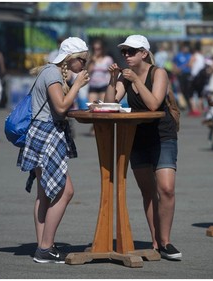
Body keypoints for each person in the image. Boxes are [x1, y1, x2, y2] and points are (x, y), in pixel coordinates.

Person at [104, 35, 181, 261]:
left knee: (166, 188)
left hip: (162, 135)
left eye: (131, 51)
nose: (126, 55)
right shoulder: (125, 77)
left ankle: (166, 241)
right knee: (148, 191)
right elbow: (110, 103)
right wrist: (113, 79)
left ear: (144, 53)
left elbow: (153, 103)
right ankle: (156, 241)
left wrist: (136, 81)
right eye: (124, 52)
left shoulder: (159, 73)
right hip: (136, 135)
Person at [17, 37, 90, 263]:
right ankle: (46, 247)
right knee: (65, 191)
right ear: (72, 59)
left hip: (42, 134)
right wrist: (77, 85)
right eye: (83, 61)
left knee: (45, 193)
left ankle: (43, 247)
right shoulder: (53, 74)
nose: (84, 66)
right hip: (46, 134)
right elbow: (59, 106)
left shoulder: (52, 72)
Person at [87, 39, 113, 135]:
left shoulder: (107, 59)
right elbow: (88, 72)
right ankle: (94, 126)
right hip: (93, 85)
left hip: (103, 85)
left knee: (102, 108)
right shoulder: (91, 59)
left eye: (99, 49)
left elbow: (112, 72)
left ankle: (100, 126)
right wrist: (92, 62)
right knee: (92, 107)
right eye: (95, 49)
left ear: (102, 49)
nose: (97, 51)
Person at [172, 41, 191, 113]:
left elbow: (189, 64)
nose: (186, 49)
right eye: (185, 48)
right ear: (182, 49)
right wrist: (176, 70)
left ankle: (187, 104)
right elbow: (174, 64)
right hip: (180, 75)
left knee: (187, 90)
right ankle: (182, 104)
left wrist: (181, 68)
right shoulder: (178, 55)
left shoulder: (189, 55)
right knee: (180, 89)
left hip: (187, 74)